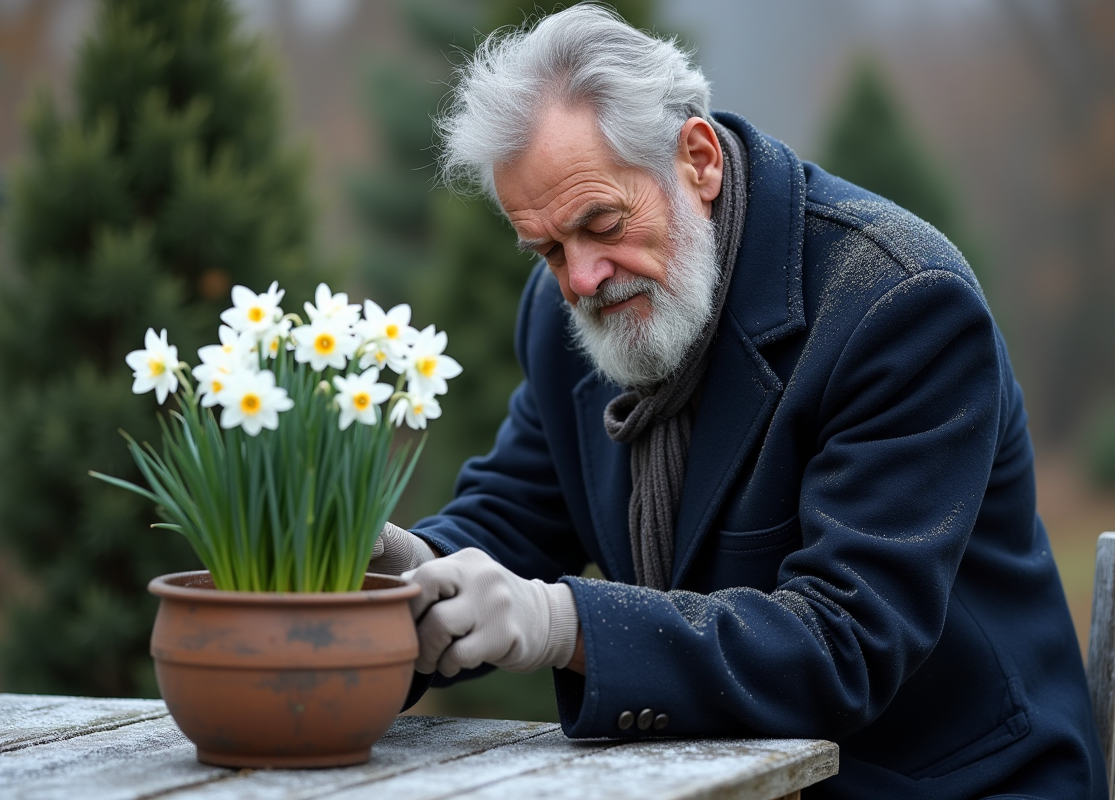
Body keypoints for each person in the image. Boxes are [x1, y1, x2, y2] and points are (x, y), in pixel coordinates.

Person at [366, 5, 1106, 798]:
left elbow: (844, 644)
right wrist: (401, 574)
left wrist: (560, 623)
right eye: (548, 248)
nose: (580, 278)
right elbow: (512, 514)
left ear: (698, 159)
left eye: (603, 222)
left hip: (946, 781)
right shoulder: (569, 312)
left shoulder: (898, 304)